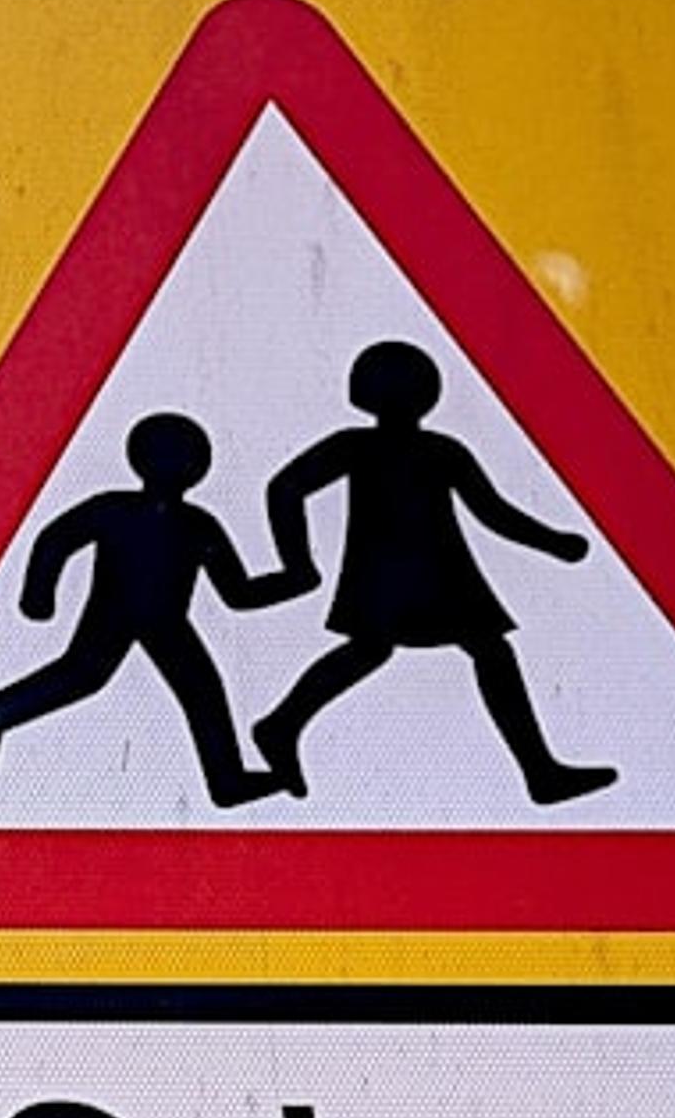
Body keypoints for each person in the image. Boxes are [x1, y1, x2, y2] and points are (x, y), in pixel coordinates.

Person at [250, 340, 616, 805]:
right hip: (406, 574)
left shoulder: (429, 450)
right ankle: (539, 771)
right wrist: (296, 563)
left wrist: (553, 543)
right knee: (452, 650)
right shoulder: (386, 448)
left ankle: (281, 724)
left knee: (396, 649)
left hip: (431, 572)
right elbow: (284, 488)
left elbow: (492, 511)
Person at [0, 411, 305, 807]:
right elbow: (56, 540)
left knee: (199, 690)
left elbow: (238, 593)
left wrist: (290, 582)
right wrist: (38, 596)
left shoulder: (196, 524)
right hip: (114, 615)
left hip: (166, 622)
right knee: (86, 676)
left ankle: (226, 779)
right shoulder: (120, 510)